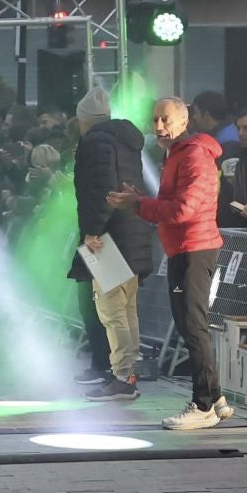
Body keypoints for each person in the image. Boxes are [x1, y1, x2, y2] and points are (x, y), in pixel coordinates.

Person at [110, 97, 230, 428]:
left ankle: (203, 405)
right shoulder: (178, 154)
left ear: (183, 121)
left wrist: (138, 205)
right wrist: (140, 200)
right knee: (189, 324)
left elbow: (182, 210)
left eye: (166, 120)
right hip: (185, 249)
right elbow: (174, 204)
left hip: (193, 249)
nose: (159, 127)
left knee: (193, 326)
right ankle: (214, 397)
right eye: (155, 120)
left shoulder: (192, 155)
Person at [70, 85, 157, 401]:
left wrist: (91, 232)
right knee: (127, 310)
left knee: (111, 312)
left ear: (85, 120)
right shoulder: (127, 141)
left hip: (108, 238)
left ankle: (122, 378)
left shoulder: (95, 143)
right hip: (132, 232)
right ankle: (128, 374)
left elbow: (99, 191)